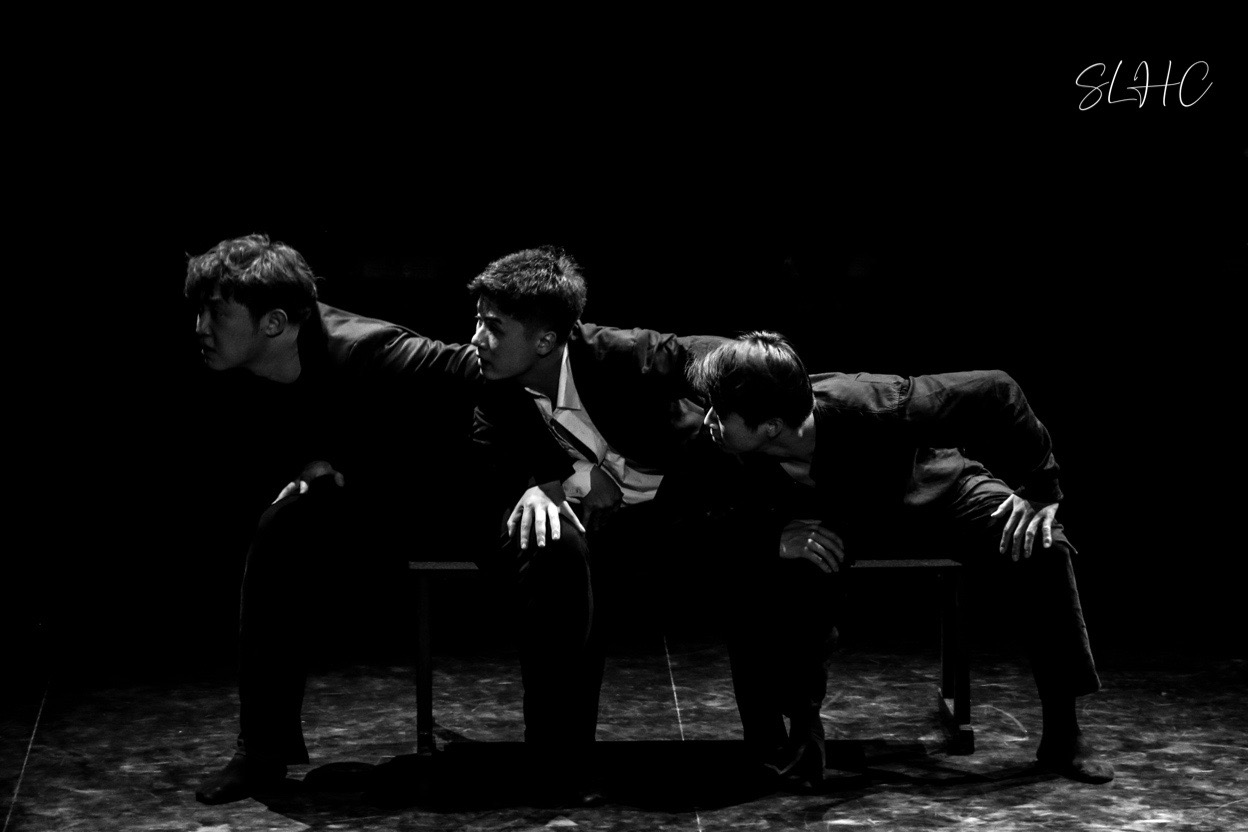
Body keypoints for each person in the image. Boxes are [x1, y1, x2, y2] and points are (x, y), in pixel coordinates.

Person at [687, 331, 1114, 789]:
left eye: (720, 413)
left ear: (771, 425)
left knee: (1043, 546)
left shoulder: (875, 405)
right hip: (832, 523)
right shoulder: (720, 444)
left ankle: (1063, 732)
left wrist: (1042, 489)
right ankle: (793, 737)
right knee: (761, 571)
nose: (708, 418)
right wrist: (772, 538)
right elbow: (686, 522)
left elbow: (997, 389)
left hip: (929, 493)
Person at [188, 234, 480, 804]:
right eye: (199, 311)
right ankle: (261, 753)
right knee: (278, 532)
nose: (200, 327)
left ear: (274, 323)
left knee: (289, 528)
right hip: (370, 502)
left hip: (454, 501)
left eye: (215, 314)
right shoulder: (239, 365)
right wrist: (316, 462)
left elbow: (485, 370)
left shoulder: (370, 349)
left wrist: (544, 477)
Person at [468, 245, 724, 805]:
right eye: (478, 322)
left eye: (492, 326)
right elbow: (491, 458)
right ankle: (557, 764)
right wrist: (569, 478)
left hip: (680, 509)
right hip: (596, 527)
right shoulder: (494, 381)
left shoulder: (618, 353)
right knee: (557, 560)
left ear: (544, 340)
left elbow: (713, 357)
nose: (476, 339)